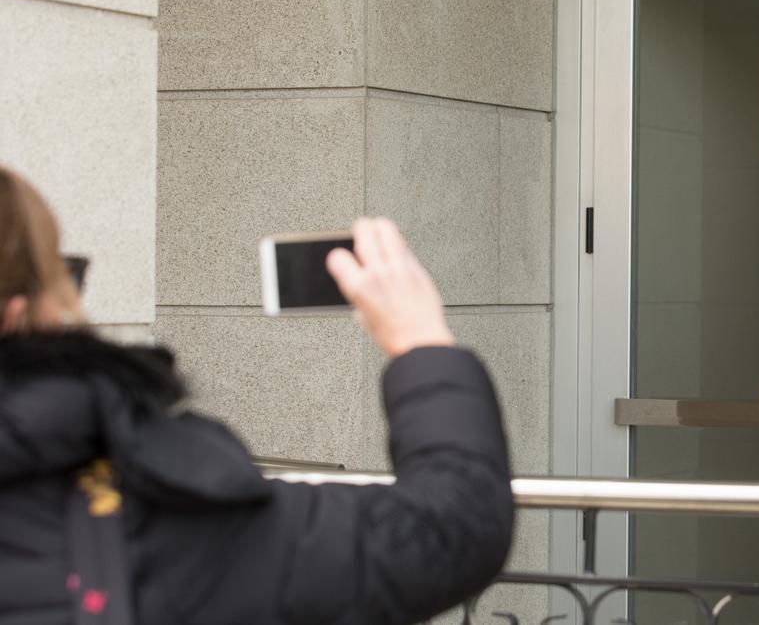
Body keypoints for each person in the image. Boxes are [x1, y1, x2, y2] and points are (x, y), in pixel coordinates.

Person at [0, 165, 514, 624]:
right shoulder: (152, 510)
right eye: (63, 277)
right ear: (16, 313)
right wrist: (420, 341)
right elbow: (450, 531)